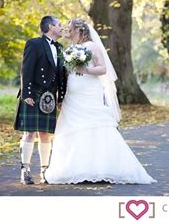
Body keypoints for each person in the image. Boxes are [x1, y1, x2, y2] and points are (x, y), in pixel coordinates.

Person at [44, 18, 156, 185]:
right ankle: (75, 168)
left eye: (71, 29)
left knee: (95, 126)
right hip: (73, 93)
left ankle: (102, 168)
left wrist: (86, 69)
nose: (68, 31)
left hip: (90, 91)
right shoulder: (70, 49)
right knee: (72, 127)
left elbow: (102, 68)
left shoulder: (92, 46)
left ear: (80, 31)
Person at [14, 16, 67, 185]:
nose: (62, 28)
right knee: (29, 133)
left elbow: (61, 75)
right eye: (59, 25)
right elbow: (26, 69)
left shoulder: (59, 47)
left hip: (50, 96)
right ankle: (25, 170)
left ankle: (45, 170)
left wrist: (61, 97)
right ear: (51, 26)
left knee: (45, 135)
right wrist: (27, 94)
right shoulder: (34, 43)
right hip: (34, 93)